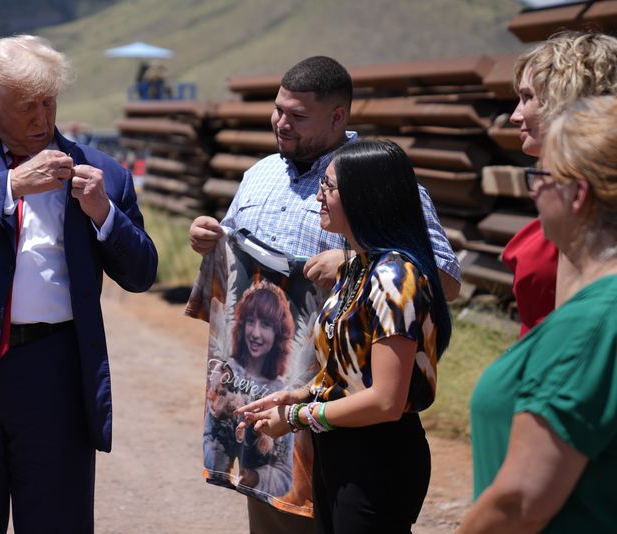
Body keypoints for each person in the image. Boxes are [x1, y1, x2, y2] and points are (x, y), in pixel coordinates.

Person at [189, 55, 460, 532]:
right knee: (268, 516)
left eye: (297, 115)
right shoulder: (259, 175)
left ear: (338, 117)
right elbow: (233, 266)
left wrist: (358, 262)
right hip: (269, 395)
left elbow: (444, 282)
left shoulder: (379, 180)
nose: (281, 122)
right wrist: (210, 240)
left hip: (343, 406)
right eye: (278, 109)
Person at [0, 35, 157, 533]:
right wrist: (10, 185)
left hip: (55, 372)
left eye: (49, 102)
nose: (42, 119)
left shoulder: (102, 172)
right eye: (26, 107)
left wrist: (103, 212)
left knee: (58, 520)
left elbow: (142, 272)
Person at [238, 139, 452, 533]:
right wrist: (298, 394)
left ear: (364, 198)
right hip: (340, 448)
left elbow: (386, 400)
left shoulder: (394, 277)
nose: (318, 196)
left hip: (377, 458)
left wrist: (297, 417)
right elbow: (350, 371)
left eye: (329, 187)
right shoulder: (358, 266)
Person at [460, 96, 617, 533]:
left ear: (577, 193)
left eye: (541, 177)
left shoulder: (591, 324)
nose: (533, 190)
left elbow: (519, 502)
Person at [502, 31, 617, 336]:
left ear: (566, 98)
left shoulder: (583, 200)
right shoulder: (559, 186)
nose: (515, 116)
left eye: (528, 97)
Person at [204, 281, 296, 497]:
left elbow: (285, 475)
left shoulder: (282, 392)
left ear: (278, 334)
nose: (255, 333)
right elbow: (209, 438)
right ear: (241, 324)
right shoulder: (226, 373)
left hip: (262, 500)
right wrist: (219, 455)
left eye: (265, 324)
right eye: (250, 321)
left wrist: (257, 478)